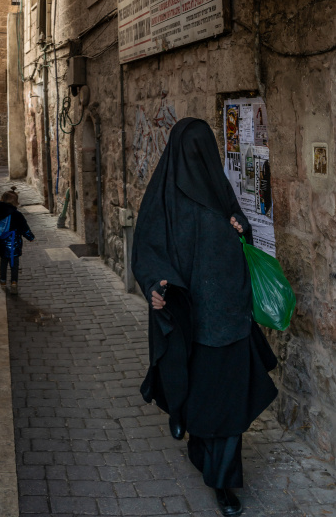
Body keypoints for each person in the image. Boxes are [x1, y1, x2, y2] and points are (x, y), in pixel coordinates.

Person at [131, 118, 278, 517]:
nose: (199, 159)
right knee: (200, 397)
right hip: (191, 321)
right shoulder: (165, 196)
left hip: (230, 317)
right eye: (192, 151)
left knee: (227, 405)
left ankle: (224, 484)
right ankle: (191, 431)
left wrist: (240, 227)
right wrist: (155, 286)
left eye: (204, 151)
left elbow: (242, 232)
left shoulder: (219, 189)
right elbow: (147, 248)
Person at [0, 185, 35, 294]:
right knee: (14, 264)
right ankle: (14, 282)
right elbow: (24, 228)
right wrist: (30, 237)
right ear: (15, 202)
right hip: (14, 244)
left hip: (1, 244)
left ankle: (3, 281)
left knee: (3, 263)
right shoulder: (16, 215)